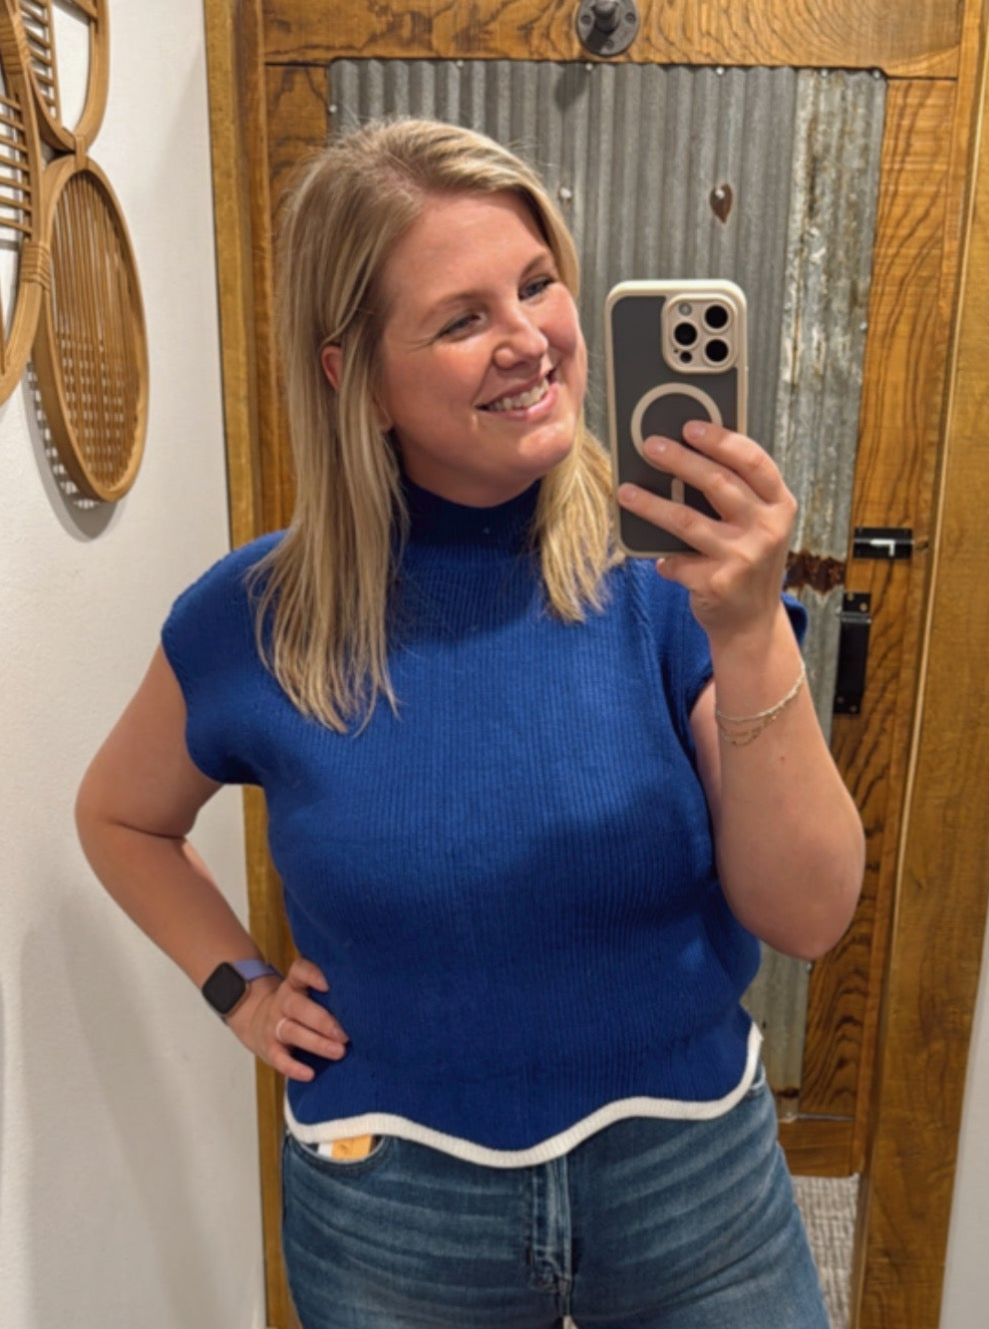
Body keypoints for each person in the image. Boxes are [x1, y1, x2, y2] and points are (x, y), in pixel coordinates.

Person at [76, 118, 865, 1329]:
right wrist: (238, 988)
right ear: (355, 377)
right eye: (460, 320)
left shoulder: (672, 580)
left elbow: (807, 913)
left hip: (689, 1181)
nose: (529, 340)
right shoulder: (252, 620)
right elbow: (120, 819)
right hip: (393, 1210)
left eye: (537, 284)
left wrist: (751, 626)